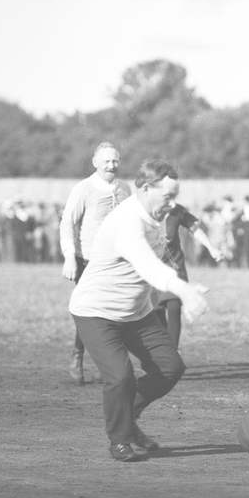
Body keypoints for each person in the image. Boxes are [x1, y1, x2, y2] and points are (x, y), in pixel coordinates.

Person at [69, 159, 209, 462]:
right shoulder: (127, 221)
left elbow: (160, 265)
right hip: (95, 312)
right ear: (146, 189)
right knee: (121, 376)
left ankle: (127, 418)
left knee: (171, 367)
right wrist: (184, 290)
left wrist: (182, 290)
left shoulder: (156, 216)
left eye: (176, 196)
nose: (173, 204)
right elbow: (148, 265)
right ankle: (119, 439)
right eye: (168, 196)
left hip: (136, 313)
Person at [60, 142, 131, 384]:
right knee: (90, 310)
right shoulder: (83, 189)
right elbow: (67, 223)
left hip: (118, 260)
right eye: (107, 161)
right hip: (88, 259)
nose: (112, 166)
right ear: (95, 162)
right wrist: (69, 256)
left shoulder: (124, 188)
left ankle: (107, 362)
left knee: (115, 312)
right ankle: (78, 355)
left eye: (115, 161)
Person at [155, 202, 223, 349]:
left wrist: (211, 248)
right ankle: (163, 352)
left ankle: (173, 352)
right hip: (153, 266)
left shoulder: (177, 211)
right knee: (156, 311)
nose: (172, 201)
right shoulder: (144, 209)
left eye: (175, 195)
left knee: (173, 307)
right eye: (169, 195)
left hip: (175, 265)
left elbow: (196, 231)